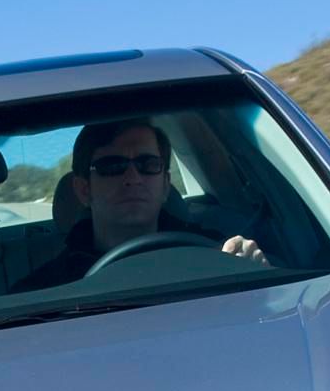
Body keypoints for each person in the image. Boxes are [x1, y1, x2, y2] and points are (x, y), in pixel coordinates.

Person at [17, 119, 263, 290]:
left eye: (148, 165)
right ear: (84, 190)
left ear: (166, 184)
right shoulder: (46, 290)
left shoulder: (218, 255)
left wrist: (255, 270)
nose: (133, 179)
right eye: (112, 167)